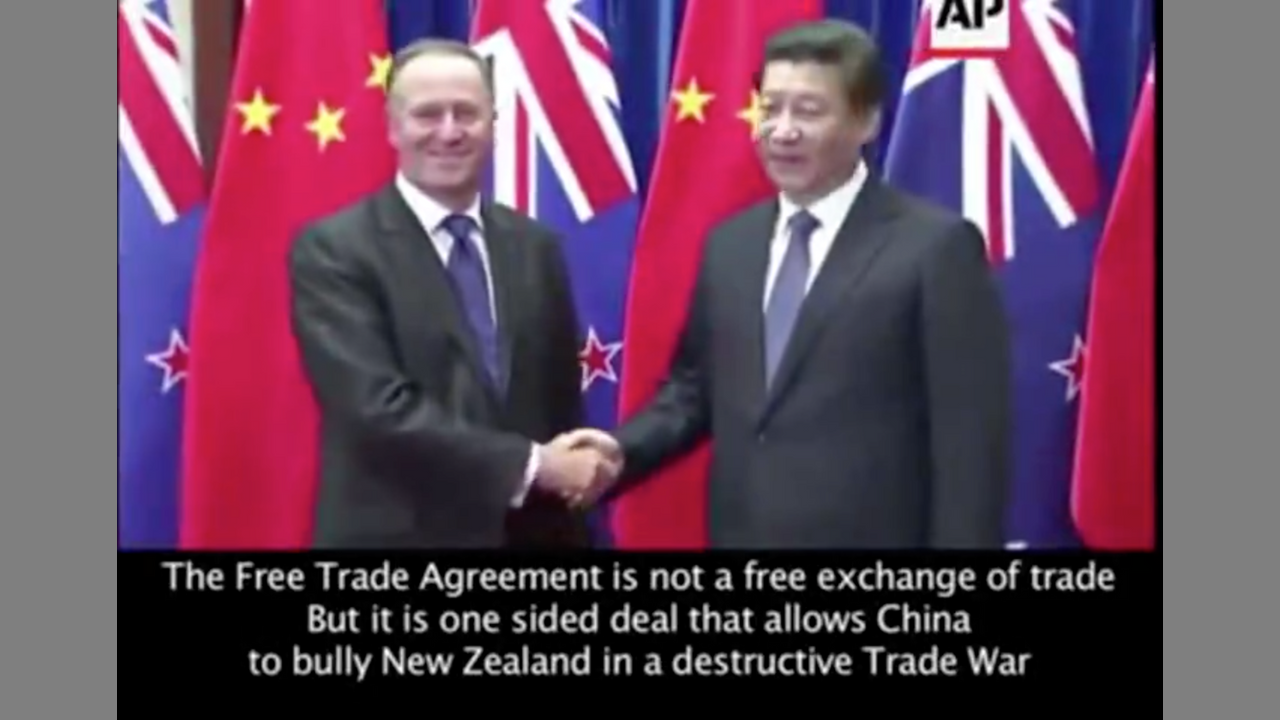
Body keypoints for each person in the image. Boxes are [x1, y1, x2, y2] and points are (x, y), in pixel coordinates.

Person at [563, 20, 1011, 548]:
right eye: (770, 108)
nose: (782, 130)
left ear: (866, 121)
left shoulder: (935, 247)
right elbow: (695, 389)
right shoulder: (731, 244)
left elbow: (969, 444)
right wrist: (621, 452)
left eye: (809, 111)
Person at [288, 39, 606, 548]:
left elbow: (558, 404)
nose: (450, 131)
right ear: (393, 127)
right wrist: (533, 466)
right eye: (427, 114)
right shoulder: (334, 250)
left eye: (467, 113)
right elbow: (375, 408)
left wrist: (579, 469)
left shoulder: (536, 246)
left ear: (493, 126)